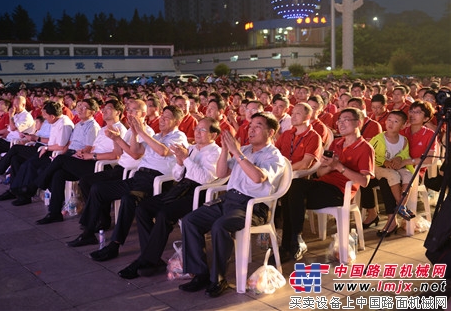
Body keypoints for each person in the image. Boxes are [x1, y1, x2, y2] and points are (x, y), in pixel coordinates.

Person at [178, 112, 286, 298]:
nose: (251, 130)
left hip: (253, 206)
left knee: (220, 226)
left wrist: (237, 153)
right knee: (190, 220)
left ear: (271, 132)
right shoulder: (244, 149)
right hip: (229, 200)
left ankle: (218, 279)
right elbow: (221, 173)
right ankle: (200, 273)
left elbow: (258, 178)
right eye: (250, 126)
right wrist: (226, 150)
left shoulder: (274, 155)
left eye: (257, 126)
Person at [66, 106, 187, 262]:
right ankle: (88, 232)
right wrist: (135, 134)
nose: (162, 120)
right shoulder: (156, 136)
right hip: (139, 176)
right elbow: (136, 151)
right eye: (162, 116)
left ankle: (114, 245)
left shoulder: (179, 136)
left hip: (156, 181)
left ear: (176, 121)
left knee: (128, 199)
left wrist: (142, 131)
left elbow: (163, 152)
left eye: (166, 117)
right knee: (98, 188)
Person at [117, 117, 221, 279]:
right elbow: (178, 176)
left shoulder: (215, 152)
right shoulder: (192, 148)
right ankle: (151, 257)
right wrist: (180, 161)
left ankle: (145, 260)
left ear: (213, 135)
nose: (197, 133)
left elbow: (204, 179)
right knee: (143, 208)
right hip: (181, 188)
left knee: (163, 214)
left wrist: (186, 159)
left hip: (198, 193)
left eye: (202, 130)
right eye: (196, 129)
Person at [280, 107, 375, 261]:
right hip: (322, 186)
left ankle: (292, 242)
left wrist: (339, 167)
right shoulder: (336, 143)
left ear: (358, 123)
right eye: (339, 120)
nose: (341, 124)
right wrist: (331, 166)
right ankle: (291, 243)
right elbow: (320, 173)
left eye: (346, 120)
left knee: (294, 190)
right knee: (290, 189)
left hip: (340, 192)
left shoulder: (365, 148)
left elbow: (364, 182)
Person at [364, 110, 414, 234]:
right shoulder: (379, 139)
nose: (391, 123)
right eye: (389, 120)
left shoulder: (404, 140)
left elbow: (404, 154)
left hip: (395, 167)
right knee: (392, 175)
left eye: (396, 121)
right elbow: (369, 154)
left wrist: (399, 158)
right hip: (379, 167)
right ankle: (401, 205)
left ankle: (401, 205)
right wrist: (384, 162)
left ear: (403, 126)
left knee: (408, 175)